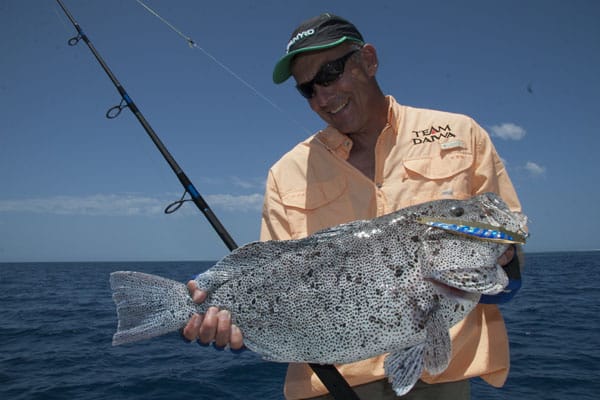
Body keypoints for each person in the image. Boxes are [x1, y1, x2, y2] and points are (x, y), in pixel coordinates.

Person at [182, 13, 524, 400]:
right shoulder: (285, 173)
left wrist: (502, 260)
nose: (323, 97)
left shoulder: (461, 135)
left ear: (368, 61)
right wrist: (226, 321)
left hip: (440, 382)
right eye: (307, 90)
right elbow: (272, 277)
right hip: (328, 386)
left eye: (330, 74)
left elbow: (512, 264)